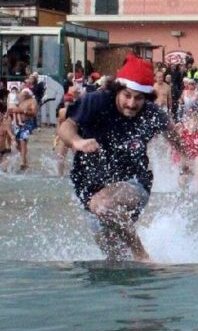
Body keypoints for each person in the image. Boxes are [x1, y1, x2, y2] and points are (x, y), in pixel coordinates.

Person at [58, 54, 190, 262]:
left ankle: (143, 256)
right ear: (117, 90)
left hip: (134, 182)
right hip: (88, 185)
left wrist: (184, 158)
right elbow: (66, 127)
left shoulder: (151, 113)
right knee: (115, 258)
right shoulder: (96, 101)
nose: (131, 103)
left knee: (104, 204)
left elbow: (171, 132)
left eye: (138, 98)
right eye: (127, 96)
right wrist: (77, 142)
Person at [12, 87, 38, 171]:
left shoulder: (32, 101)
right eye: (23, 93)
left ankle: (23, 162)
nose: (24, 95)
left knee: (23, 141)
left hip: (28, 123)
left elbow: (34, 113)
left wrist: (24, 111)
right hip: (18, 124)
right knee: (17, 143)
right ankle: (24, 158)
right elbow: (14, 109)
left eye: (26, 93)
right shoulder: (20, 101)